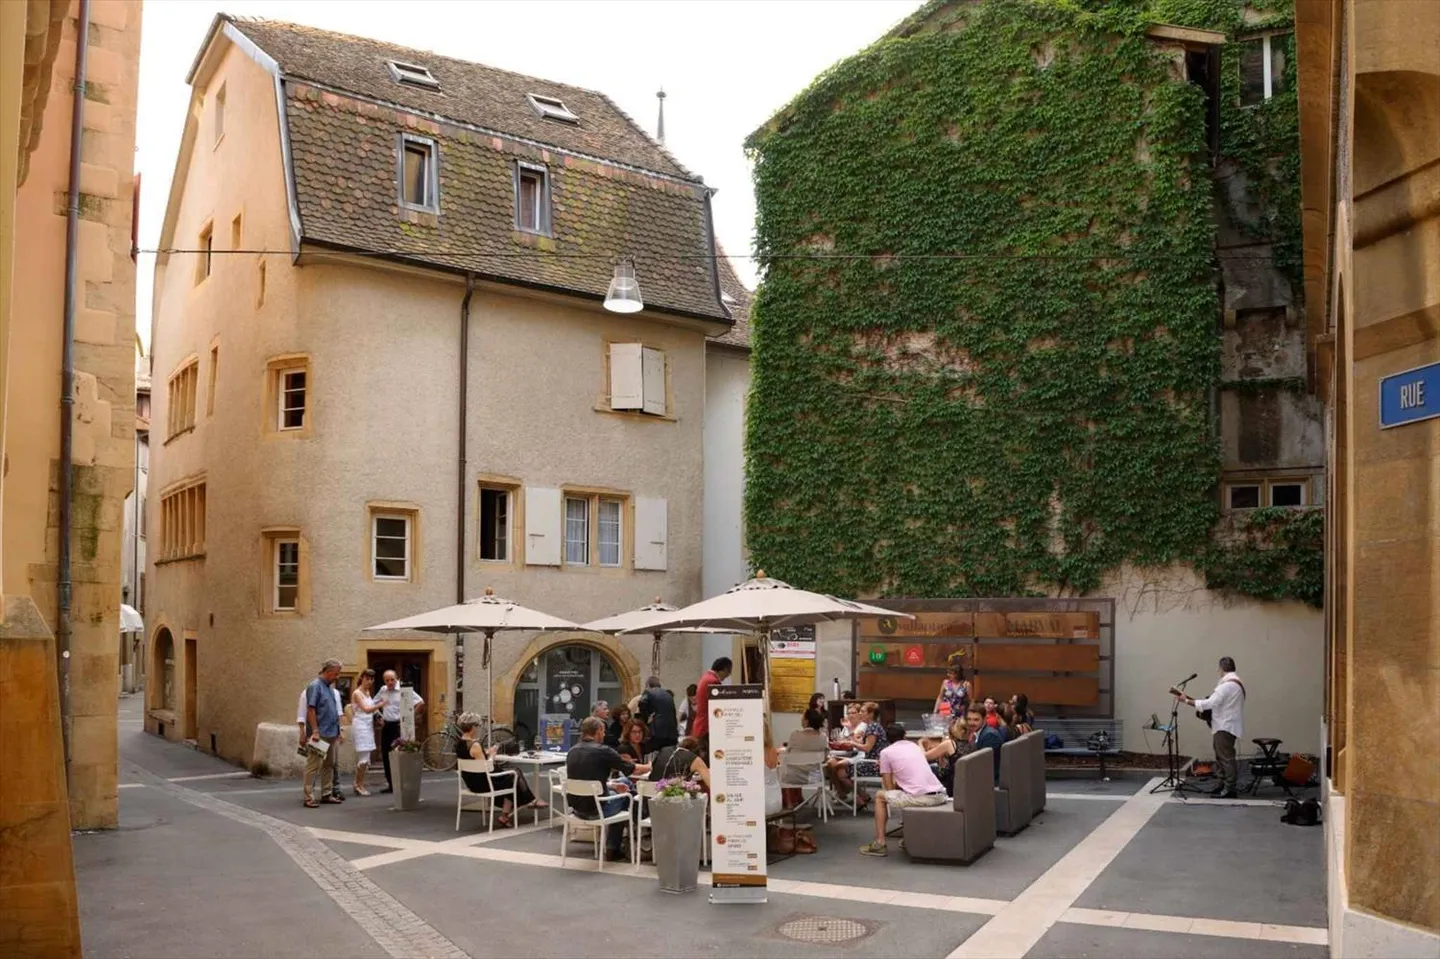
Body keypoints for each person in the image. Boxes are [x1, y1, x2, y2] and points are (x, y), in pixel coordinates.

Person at [859, 723, 949, 856]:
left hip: (922, 797)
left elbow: (890, 789)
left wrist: (888, 770)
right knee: (906, 794)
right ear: (905, 735)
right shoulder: (914, 747)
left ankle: (880, 842)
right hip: (940, 794)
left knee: (880, 796)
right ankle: (910, 837)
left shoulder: (886, 753)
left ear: (887, 739)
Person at [565, 716, 648, 861]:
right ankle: (618, 844)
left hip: (577, 808)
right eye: (603, 732)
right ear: (598, 731)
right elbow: (632, 769)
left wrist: (612, 785)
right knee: (629, 797)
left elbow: (586, 780)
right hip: (598, 809)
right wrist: (650, 766)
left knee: (623, 782)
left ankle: (616, 844)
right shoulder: (603, 750)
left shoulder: (572, 751)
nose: (604, 735)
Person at [455, 712, 545, 827]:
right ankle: (530, 801)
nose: (478, 728)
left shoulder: (459, 744)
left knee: (512, 776)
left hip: (472, 782)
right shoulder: (475, 745)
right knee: (515, 774)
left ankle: (508, 814)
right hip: (484, 783)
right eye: (477, 726)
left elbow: (473, 757)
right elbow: (487, 767)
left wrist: (486, 752)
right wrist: (492, 754)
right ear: (473, 727)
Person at [1174, 656, 1246, 799]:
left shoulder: (1227, 685)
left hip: (1224, 726)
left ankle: (1229, 787)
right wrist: (1189, 699)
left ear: (1221, 669)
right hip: (1224, 725)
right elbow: (1214, 702)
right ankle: (1221, 784)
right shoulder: (1235, 683)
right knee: (1220, 756)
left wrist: (1186, 701)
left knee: (1225, 758)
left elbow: (1209, 703)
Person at [375, 670, 425, 795]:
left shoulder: (404, 690)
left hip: (399, 726)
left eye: (392, 679)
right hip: (387, 725)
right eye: (387, 680)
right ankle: (391, 784)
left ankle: (403, 783)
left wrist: (410, 717)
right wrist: (378, 716)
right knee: (386, 755)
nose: (390, 682)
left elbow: (420, 702)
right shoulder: (383, 690)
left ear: (396, 678)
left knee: (401, 755)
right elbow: (373, 703)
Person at [302, 660, 343, 808]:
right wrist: (315, 731)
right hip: (320, 733)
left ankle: (327, 793)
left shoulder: (329, 688)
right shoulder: (315, 686)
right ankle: (308, 796)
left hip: (331, 732)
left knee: (329, 765)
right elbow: (311, 709)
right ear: (328, 671)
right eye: (336, 673)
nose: (337, 677)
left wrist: (338, 730)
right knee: (313, 765)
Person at [782, 707, 829, 806]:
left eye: (802, 717)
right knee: (800, 767)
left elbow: (787, 754)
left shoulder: (795, 735)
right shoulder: (823, 737)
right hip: (815, 777)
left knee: (788, 768)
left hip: (793, 777)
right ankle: (798, 799)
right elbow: (825, 758)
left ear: (806, 721)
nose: (801, 719)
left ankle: (789, 803)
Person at [690, 657, 732, 755]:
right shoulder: (713, 682)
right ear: (725, 669)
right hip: (706, 727)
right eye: (728, 672)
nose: (728, 676)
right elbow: (720, 705)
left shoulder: (706, 677)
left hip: (700, 725)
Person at [924, 716, 974, 796]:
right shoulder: (972, 744)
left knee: (927, 768)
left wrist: (921, 743)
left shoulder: (949, 744)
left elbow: (924, 756)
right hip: (967, 783)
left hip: (952, 785)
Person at [349, 669, 380, 796]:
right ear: (362, 678)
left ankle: (359, 783)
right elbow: (366, 709)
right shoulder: (357, 693)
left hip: (368, 726)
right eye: (367, 678)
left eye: (372, 679)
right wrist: (381, 704)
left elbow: (371, 711)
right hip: (360, 726)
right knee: (363, 758)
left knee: (366, 759)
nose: (370, 681)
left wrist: (378, 716)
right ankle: (358, 784)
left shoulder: (368, 693)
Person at [637, 676, 679, 752]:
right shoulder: (668, 694)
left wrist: (646, 719)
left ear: (648, 685)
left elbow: (642, 703)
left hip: (656, 731)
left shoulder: (648, 692)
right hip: (671, 733)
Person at [966, 705, 1006, 784]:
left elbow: (983, 765)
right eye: (969, 719)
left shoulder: (990, 736)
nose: (971, 723)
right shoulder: (979, 732)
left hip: (990, 781)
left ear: (984, 719)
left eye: (976, 720)